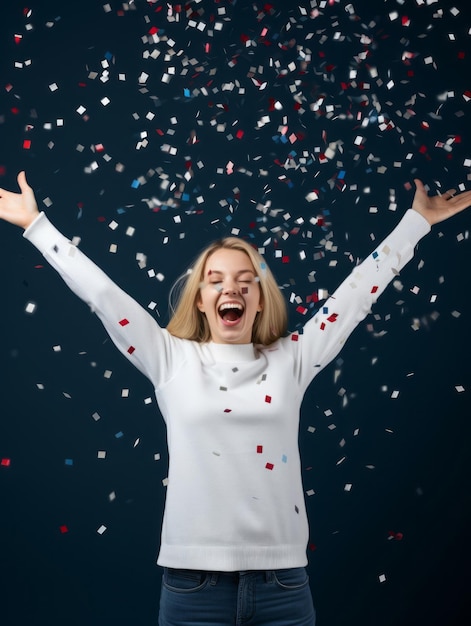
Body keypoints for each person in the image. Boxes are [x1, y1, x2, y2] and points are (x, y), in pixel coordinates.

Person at [0, 172, 470, 626]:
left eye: (246, 280)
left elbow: (352, 299)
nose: (232, 288)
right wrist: (38, 227)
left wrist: (416, 222)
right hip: (192, 591)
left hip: (283, 589)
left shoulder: (293, 359)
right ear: (200, 299)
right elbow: (103, 294)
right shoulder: (169, 358)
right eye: (216, 280)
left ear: (260, 298)